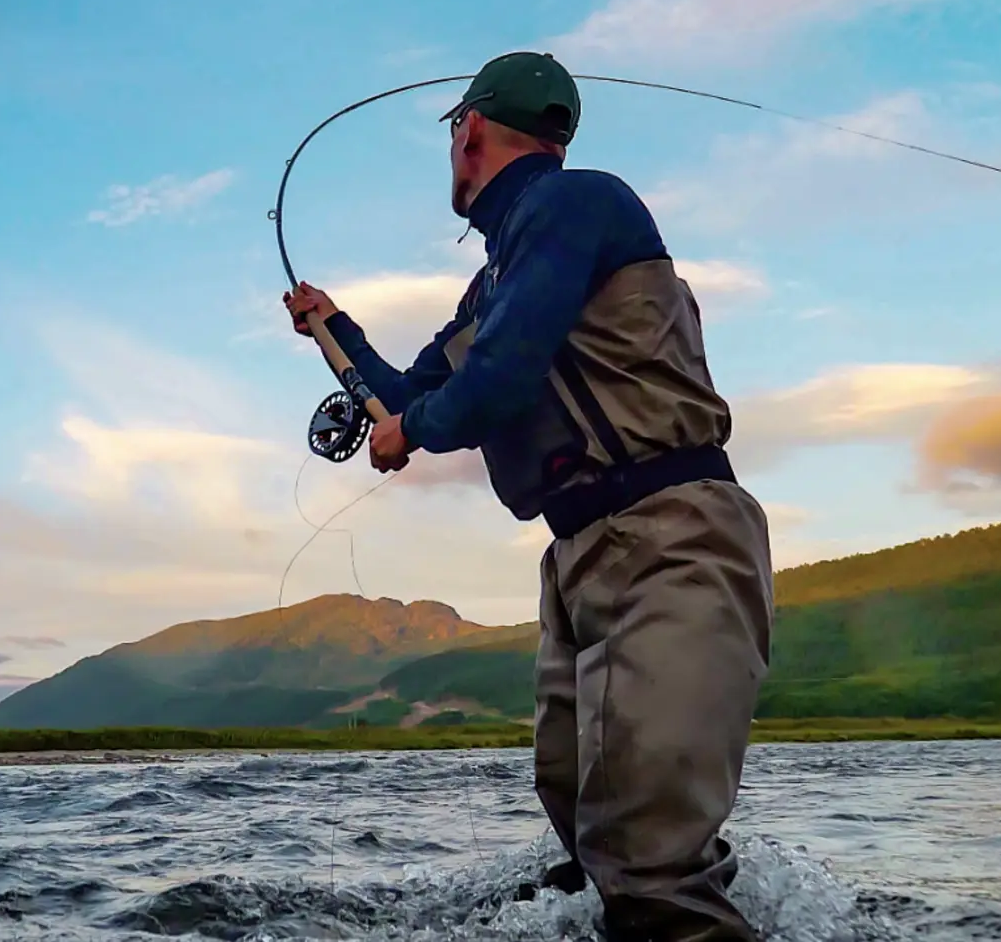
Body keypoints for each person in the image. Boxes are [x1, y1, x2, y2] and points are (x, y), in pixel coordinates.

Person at [283, 50, 776, 942]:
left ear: (469, 129)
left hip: (671, 536)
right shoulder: (498, 285)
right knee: (583, 821)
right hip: (580, 558)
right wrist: (331, 327)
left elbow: (494, 381)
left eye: (453, 135)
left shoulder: (577, 203)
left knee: (646, 858)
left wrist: (412, 431)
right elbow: (404, 396)